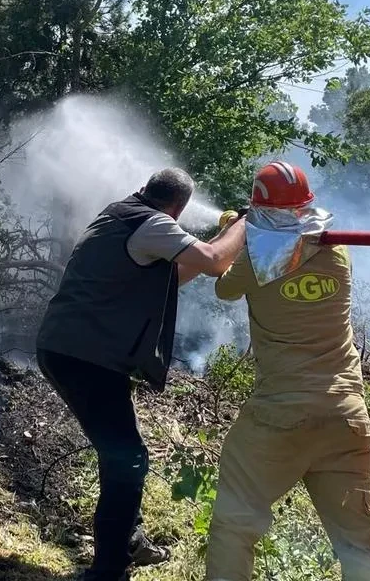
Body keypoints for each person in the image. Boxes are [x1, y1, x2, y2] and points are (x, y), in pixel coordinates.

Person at [36, 167, 247, 581]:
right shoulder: (153, 224)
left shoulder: (121, 215)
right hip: (85, 357)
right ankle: (108, 570)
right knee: (128, 458)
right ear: (179, 207)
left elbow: (177, 276)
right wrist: (245, 224)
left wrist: (221, 247)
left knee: (120, 453)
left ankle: (128, 541)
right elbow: (213, 261)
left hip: (70, 350)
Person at [205, 161, 370, 581]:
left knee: (234, 525)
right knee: (362, 543)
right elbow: (294, 243)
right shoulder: (337, 252)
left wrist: (235, 230)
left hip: (278, 416)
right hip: (345, 415)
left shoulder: (255, 263)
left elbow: (221, 283)